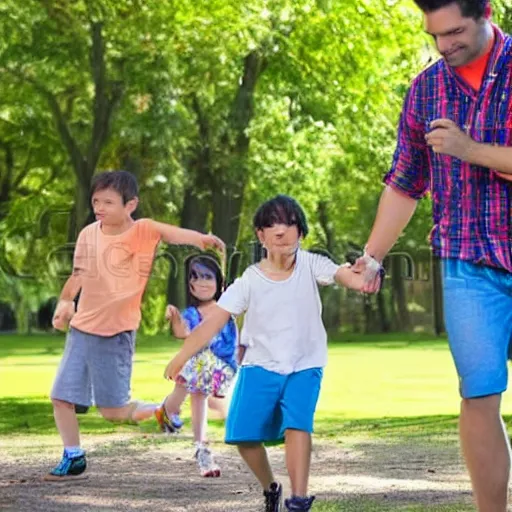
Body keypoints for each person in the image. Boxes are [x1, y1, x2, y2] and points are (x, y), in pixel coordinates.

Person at [354, 2, 512, 511]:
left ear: (485, 11)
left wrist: (473, 150)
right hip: (467, 261)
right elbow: (404, 182)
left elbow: (473, 153)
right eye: (435, 35)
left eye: (455, 32)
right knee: (478, 394)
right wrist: (373, 258)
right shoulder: (427, 88)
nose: (444, 46)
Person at [164, 195, 366, 512]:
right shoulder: (248, 281)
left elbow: (349, 277)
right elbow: (210, 324)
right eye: (271, 225)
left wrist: (370, 271)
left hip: (306, 365)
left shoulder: (313, 264)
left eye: (289, 224)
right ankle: (271, 487)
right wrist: (180, 357)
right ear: (261, 235)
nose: (280, 231)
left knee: (298, 425)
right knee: (243, 437)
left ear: (300, 232)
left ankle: (299, 499)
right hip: (259, 367)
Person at [46, 170, 224, 481]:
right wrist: (65, 302)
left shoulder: (141, 230)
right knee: (61, 397)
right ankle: (73, 456)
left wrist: (202, 239)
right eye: (95, 201)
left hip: (115, 335)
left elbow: (171, 233)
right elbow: (78, 273)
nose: (99, 207)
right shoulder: (89, 233)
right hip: (82, 330)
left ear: (130, 205)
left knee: (114, 412)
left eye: (108, 202)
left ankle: (163, 411)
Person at [155, 254, 243, 477]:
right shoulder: (192, 314)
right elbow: (182, 333)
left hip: (223, 369)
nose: (200, 282)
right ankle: (202, 448)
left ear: (219, 282)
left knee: (198, 383)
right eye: (194, 277)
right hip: (199, 368)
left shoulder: (228, 309)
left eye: (207, 277)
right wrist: (175, 318)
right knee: (198, 379)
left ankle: (167, 409)